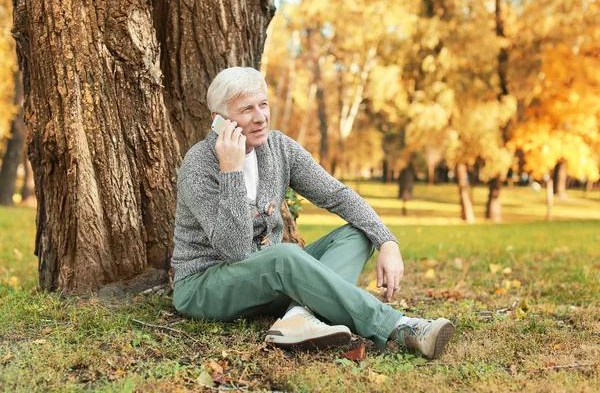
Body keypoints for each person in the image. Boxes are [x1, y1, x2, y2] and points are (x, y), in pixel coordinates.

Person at [171, 67, 455, 359]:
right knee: (285, 256)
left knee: (357, 233)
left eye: (263, 104)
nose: (260, 117)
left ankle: (299, 317)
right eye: (246, 109)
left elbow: (337, 195)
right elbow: (235, 251)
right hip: (204, 286)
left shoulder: (278, 148)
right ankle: (400, 327)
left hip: (268, 278)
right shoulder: (199, 165)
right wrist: (231, 170)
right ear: (219, 121)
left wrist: (387, 241)